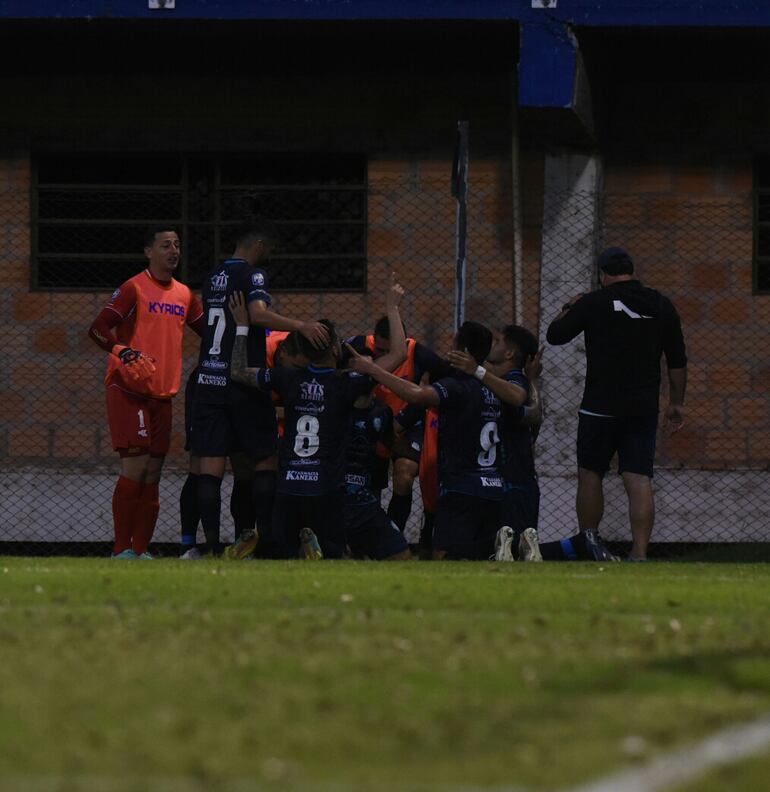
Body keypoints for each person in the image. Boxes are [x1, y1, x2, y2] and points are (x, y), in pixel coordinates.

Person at [189, 217, 328, 558]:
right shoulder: (253, 275)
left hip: (208, 379)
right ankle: (265, 541)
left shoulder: (212, 277)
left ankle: (211, 547)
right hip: (243, 380)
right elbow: (257, 313)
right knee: (263, 461)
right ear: (259, 247)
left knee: (211, 466)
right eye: (270, 251)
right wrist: (302, 324)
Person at [545, 246, 687, 561]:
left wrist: (570, 305)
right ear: (631, 270)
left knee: (591, 473)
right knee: (638, 476)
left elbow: (555, 335)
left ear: (602, 274)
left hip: (600, 405)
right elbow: (677, 360)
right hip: (642, 408)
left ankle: (590, 545)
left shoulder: (593, 302)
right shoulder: (660, 304)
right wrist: (676, 403)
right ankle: (639, 553)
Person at [348, 321, 530, 560]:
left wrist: (374, 371)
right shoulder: (496, 387)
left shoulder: (456, 386)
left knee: (443, 556)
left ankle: (508, 549)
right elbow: (519, 399)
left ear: (461, 350)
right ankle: (502, 549)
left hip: (462, 486)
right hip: (493, 486)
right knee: (473, 558)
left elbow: (416, 394)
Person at [88, 227, 204, 559]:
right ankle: (121, 548)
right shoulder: (133, 288)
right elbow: (98, 328)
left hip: (162, 394)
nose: (173, 251)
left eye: (177, 245)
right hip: (129, 389)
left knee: (153, 472)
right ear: (148, 252)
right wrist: (121, 350)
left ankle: (141, 550)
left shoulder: (184, 294)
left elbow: (208, 331)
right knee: (135, 469)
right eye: (165, 245)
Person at [347, 319, 451, 534]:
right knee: (368, 480)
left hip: (405, 423)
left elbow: (442, 385)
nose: (385, 355)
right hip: (370, 421)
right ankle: (367, 538)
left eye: (390, 350)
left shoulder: (419, 353)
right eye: (380, 350)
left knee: (404, 474)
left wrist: (404, 419)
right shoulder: (358, 345)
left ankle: (395, 534)